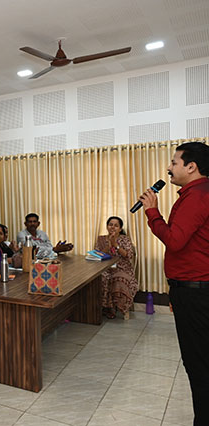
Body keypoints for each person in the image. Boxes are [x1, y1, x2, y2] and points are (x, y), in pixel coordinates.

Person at [138, 142, 209, 425]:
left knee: (198, 364)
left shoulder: (197, 196)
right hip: (191, 289)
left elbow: (175, 241)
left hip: (196, 293)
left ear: (191, 167)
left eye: (174, 162)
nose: (169, 167)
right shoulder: (198, 193)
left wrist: (152, 212)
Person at [93, 216, 138, 320]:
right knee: (101, 278)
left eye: (116, 225)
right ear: (107, 226)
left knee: (119, 279)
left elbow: (128, 255)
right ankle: (106, 308)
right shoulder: (101, 239)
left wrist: (115, 245)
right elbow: (97, 255)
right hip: (105, 268)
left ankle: (117, 308)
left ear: (120, 229)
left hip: (122, 268)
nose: (113, 227)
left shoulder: (125, 239)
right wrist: (108, 246)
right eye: (110, 225)